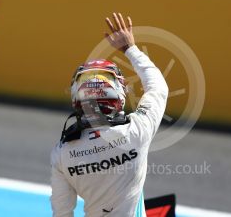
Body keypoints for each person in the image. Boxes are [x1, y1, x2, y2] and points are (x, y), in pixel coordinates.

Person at [50, 12, 169, 217]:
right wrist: (130, 49)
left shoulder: (62, 153)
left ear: (77, 99)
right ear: (119, 94)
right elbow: (158, 88)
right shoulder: (137, 131)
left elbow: (62, 213)